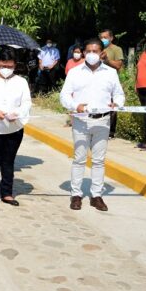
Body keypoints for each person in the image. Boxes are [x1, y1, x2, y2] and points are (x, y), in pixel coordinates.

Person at [60, 38, 125, 212]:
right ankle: (76, 194)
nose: (91, 54)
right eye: (88, 51)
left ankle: (96, 195)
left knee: (98, 160)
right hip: (81, 120)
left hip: (103, 121)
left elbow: (119, 94)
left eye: (95, 51)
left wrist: (116, 104)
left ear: (101, 53)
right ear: (83, 52)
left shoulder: (110, 73)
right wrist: (75, 106)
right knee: (79, 158)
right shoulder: (75, 72)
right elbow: (64, 95)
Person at [0, 47, 31, 207]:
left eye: (10, 66)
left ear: (15, 65)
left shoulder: (21, 82)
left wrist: (17, 112)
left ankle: (7, 192)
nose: (6, 69)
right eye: (3, 65)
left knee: (8, 161)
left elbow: (27, 102)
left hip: (13, 128)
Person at [99, 29, 124, 138]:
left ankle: (110, 132)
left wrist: (107, 60)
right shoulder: (98, 49)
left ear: (111, 38)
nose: (103, 39)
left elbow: (119, 65)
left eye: (105, 37)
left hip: (111, 82)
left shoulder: (116, 49)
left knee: (112, 107)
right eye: (101, 37)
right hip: (99, 81)